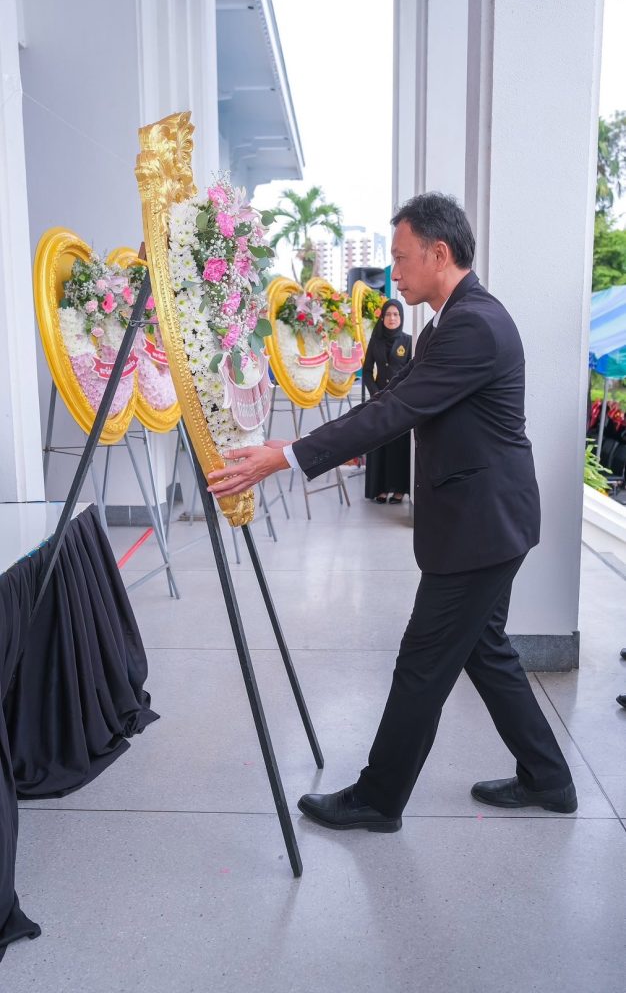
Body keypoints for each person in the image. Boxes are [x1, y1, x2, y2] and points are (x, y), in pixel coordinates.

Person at [207, 192, 577, 832]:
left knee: (422, 663)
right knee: (485, 650)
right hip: (489, 519)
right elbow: (391, 401)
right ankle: (549, 779)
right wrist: (295, 445)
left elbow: (397, 411)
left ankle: (378, 799)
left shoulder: (473, 325)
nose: (394, 274)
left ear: (440, 253)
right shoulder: (445, 323)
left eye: (402, 259)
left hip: (482, 526)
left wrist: (287, 459)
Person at [363, 299, 412, 504]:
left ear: (401, 317)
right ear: (382, 318)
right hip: (378, 401)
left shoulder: (408, 341)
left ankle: (399, 489)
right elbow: (366, 371)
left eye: (396, 314)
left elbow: (413, 371)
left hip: (400, 402)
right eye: (388, 314)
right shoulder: (376, 341)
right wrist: (376, 393)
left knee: (398, 446)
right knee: (379, 444)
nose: (392, 318)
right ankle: (380, 489)